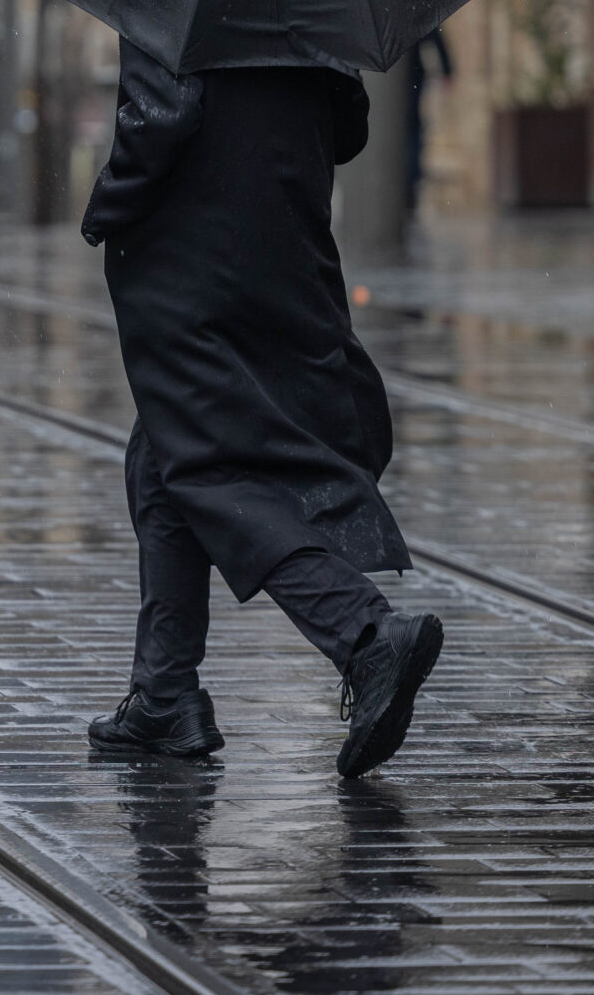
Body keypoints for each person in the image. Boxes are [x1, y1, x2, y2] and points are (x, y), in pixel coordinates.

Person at [81, 42, 443, 778]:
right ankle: (163, 692)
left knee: (208, 466)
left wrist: (109, 202)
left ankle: (364, 633)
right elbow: (349, 127)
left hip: (190, 252)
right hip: (285, 240)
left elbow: (162, 114)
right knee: (167, 445)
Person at [403, 31, 453, 211]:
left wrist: (447, 68)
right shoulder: (412, 5)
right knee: (412, 130)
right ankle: (411, 179)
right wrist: (447, 68)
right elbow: (433, 34)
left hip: (409, 76)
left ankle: (410, 179)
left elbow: (432, 32)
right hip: (411, 76)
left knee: (412, 130)